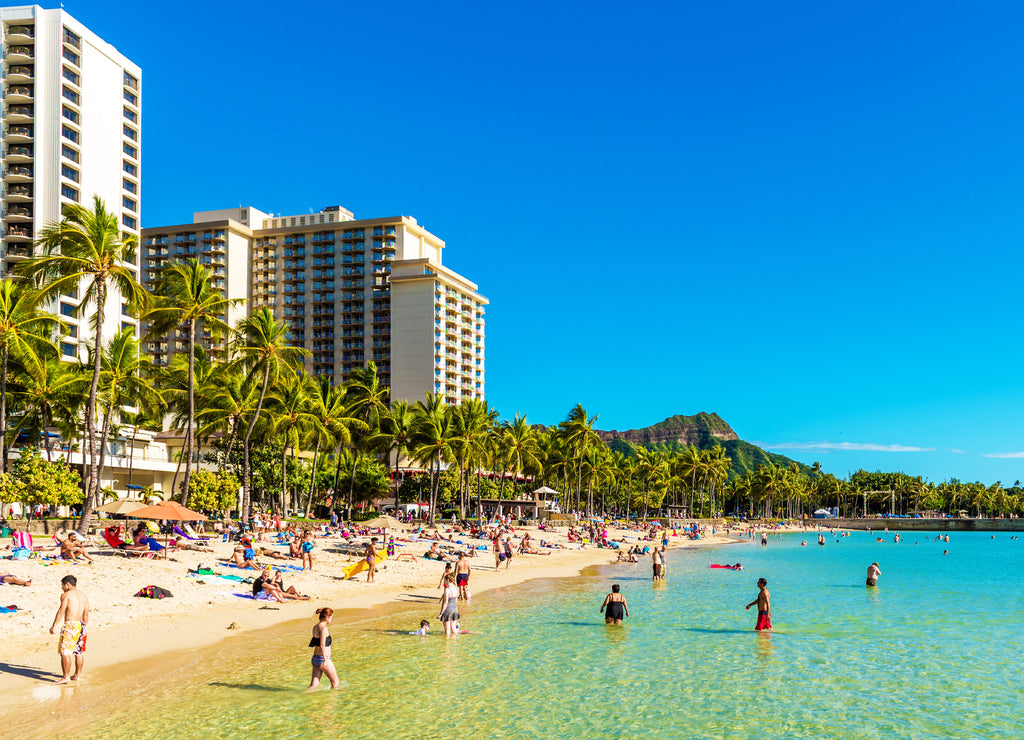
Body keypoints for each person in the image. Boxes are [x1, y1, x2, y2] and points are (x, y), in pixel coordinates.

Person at [50, 574, 89, 684]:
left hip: (70, 625)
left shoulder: (66, 595)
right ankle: (77, 676)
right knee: (78, 652)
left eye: (62, 585)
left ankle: (66, 677)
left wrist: (54, 625)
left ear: (68, 584)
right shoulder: (84, 596)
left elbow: (61, 610)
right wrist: (84, 627)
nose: (62, 587)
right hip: (81, 625)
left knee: (65, 652)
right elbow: (86, 614)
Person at [308, 607, 339, 690]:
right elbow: (322, 645)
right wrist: (325, 661)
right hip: (323, 659)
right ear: (327, 617)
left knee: (314, 685)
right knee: (335, 683)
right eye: (331, 618)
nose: (331, 620)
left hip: (315, 658)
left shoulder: (315, 627)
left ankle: (303, 696)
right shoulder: (324, 629)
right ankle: (332, 702)